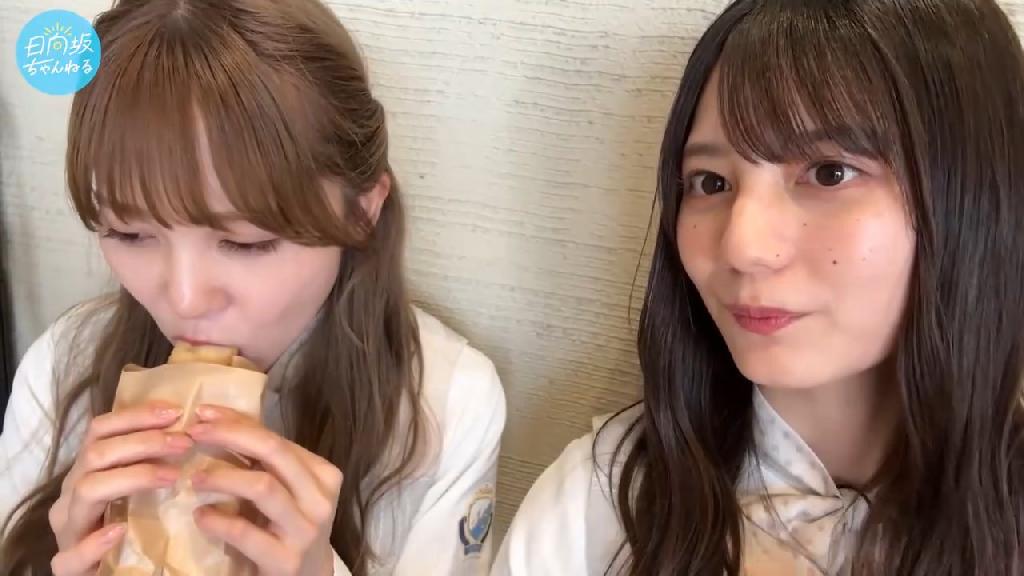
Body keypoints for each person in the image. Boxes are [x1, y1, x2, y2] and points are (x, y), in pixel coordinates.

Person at [494, 0, 1024, 574]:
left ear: (975, 195)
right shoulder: (597, 507)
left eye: (829, 173)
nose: (741, 246)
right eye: (710, 182)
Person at [0, 1, 505, 575]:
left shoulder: (447, 406)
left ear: (362, 211)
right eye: (129, 234)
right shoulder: (65, 364)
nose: (184, 299)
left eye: (246, 242)